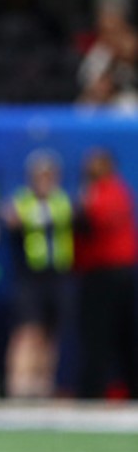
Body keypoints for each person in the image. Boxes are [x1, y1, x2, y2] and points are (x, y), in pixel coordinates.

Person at [0, 149, 76, 398]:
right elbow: (13, 221)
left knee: (50, 333)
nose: (45, 180)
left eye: (49, 175)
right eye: (40, 175)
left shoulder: (61, 200)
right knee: (27, 331)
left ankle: (43, 386)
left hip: (58, 275)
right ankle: (19, 385)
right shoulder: (21, 200)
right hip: (30, 276)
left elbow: (64, 216)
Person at [73, 147, 138, 399]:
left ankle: (112, 390)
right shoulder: (91, 191)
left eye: (96, 163)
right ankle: (94, 390)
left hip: (111, 273)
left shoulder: (111, 191)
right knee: (98, 337)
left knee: (113, 335)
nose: (90, 167)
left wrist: (79, 215)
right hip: (97, 273)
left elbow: (95, 223)